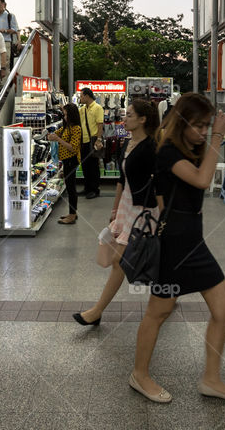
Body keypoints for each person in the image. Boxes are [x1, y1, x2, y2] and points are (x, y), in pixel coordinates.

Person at [131, 93, 225, 404]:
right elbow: (202, 179)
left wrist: (209, 139)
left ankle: (212, 379)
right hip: (174, 243)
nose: (204, 132)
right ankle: (139, 375)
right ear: (182, 123)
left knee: (224, 310)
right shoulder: (168, 151)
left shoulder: (191, 148)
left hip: (193, 239)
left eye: (207, 125)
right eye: (198, 125)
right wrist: (218, 135)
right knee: (160, 310)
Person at [74, 100, 160, 325]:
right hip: (126, 207)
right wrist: (115, 207)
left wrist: (163, 214)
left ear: (143, 119)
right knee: (146, 258)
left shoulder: (151, 148)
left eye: (130, 114)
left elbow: (160, 183)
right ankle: (169, 293)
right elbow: (122, 180)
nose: (125, 117)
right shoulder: (127, 143)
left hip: (144, 210)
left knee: (120, 261)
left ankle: (96, 311)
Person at [48, 104, 82, 224]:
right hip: (66, 160)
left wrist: (58, 139)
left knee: (71, 187)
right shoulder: (66, 127)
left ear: (72, 115)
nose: (64, 116)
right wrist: (51, 135)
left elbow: (73, 148)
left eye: (66, 114)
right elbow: (56, 134)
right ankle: (72, 213)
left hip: (72, 160)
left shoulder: (76, 128)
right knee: (69, 186)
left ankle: (72, 215)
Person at [78, 87, 105, 200]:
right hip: (83, 141)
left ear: (87, 96)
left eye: (81, 96)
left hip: (93, 140)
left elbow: (100, 125)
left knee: (93, 166)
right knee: (85, 166)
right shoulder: (82, 109)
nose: (80, 98)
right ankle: (87, 188)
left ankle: (94, 190)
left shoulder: (97, 108)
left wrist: (98, 139)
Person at [0, 0, 20, 76]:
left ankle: (4, 86)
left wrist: (4, 30)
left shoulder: (10, 16)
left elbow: (15, 30)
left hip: (6, 42)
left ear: (4, 4)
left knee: (5, 65)